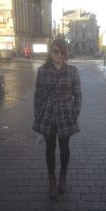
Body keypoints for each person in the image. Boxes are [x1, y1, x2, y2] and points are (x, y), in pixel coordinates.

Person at [32, 38, 82, 199]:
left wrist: (74, 113)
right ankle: (52, 179)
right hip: (48, 115)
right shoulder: (42, 71)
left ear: (66, 53)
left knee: (65, 148)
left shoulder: (72, 71)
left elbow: (78, 94)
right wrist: (38, 115)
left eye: (62, 52)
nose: (59, 55)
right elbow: (38, 96)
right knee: (50, 149)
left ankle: (63, 177)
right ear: (50, 52)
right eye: (56, 51)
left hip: (66, 115)